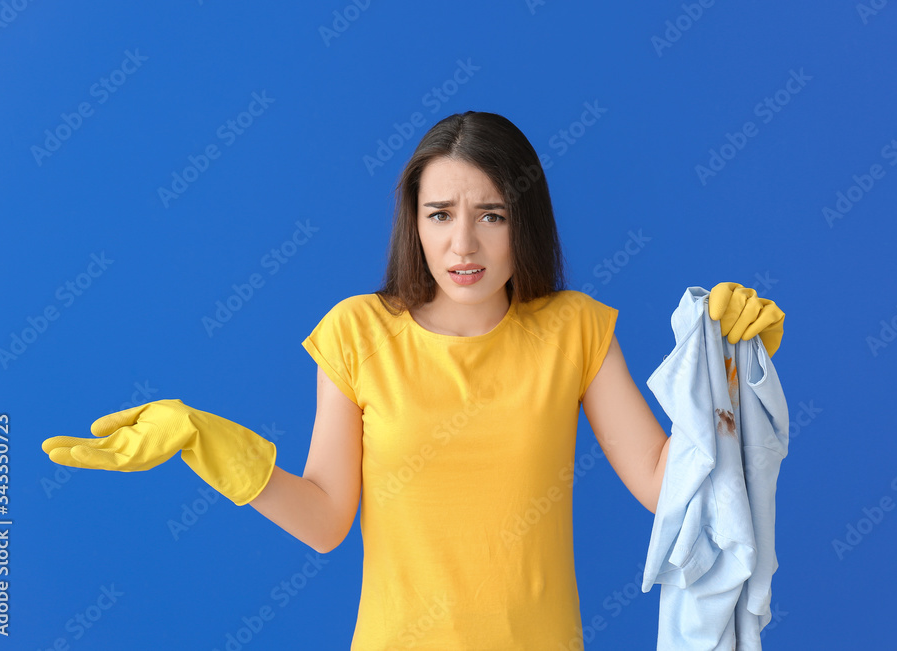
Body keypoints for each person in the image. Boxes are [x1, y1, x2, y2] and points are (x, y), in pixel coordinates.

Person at [42, 111, 784, 649]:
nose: (463, 243)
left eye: (490, 214)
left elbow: (666, 483)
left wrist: (724, 370)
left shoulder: (574, 330)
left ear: (522, 220)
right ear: (414, 222)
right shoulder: (359, 333)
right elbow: (328, 517)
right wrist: (206, 441)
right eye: (441, 214)